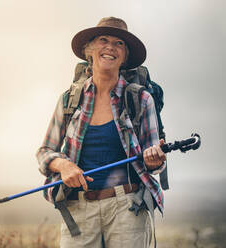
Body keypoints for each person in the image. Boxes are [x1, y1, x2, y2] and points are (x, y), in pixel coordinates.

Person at [36, 17, 167, 248]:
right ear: (89, 50)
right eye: (103, 40)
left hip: (128, 208)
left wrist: (155, 160)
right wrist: (64, 166)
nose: (110, 47)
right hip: (78, 208)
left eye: (119, 43)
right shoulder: (69, 100)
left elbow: (154, 161)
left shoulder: (140, 99)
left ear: (125, 56)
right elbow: (45, 151)